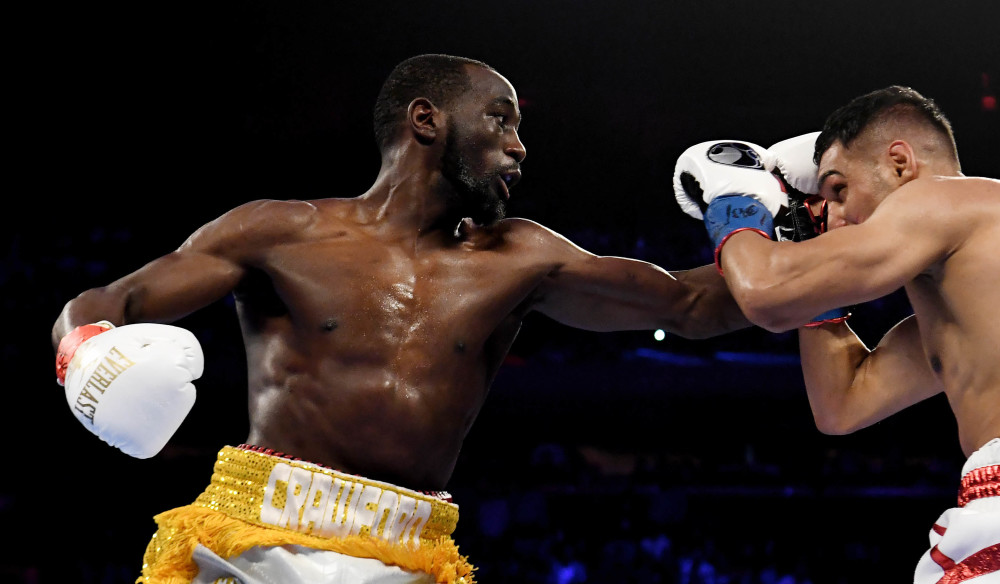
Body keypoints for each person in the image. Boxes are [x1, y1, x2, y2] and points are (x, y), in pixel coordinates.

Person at [52, 54, 755, 584]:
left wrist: (756, 219)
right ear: (427, 120)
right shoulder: (281, 231)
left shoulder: (520, 259)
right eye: (500, 119)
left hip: (407, 552)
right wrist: (82, 353)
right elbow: (114, 303)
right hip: (255, 537)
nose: (519, 147)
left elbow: (695, 304)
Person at [672, 86, 1000, 581]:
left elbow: (765, 292)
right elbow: (842, 406)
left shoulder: (939, 199)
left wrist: (734, 197)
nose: (832, 218)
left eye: (838, 190)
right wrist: (806, 248)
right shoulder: (998, 284)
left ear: (900, 164)